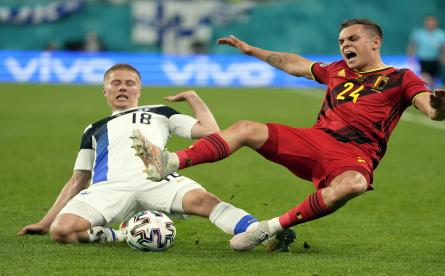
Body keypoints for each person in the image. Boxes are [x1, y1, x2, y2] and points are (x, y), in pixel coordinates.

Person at [130, 18, 445, 251]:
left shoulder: (401, 78)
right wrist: (252, 50)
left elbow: (430, 108)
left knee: (354, 184)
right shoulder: (337, 70)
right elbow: (294, 64)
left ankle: (269, 229)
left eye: (352, 39)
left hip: (353, 156)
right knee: (246, 128)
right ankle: (169, 162)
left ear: (375, 42)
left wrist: (438, 106)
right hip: (314, 142)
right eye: (341, 41)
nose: (345, 46)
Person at [18, 63, 295, 252]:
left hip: (157, 176)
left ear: (139, 89)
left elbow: (210, 131)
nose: (123, 88)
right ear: (106, 91)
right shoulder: (93, 128)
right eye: (116, 83)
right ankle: (124, 234)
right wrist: (44, 223)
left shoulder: (161, 112)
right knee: (63, 231)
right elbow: (79, 178)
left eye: (130, 83)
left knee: (204, 201)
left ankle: (260, 232)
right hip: (109, 187)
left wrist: (193, 98)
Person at [407, 15, 445, 87]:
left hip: (436, 60)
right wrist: (410, 56)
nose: (430, 24)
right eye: (428, 22)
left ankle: (432, 91)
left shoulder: (441, 34)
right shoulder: (419, 33)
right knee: (426, 77)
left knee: (434, 79)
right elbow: (412, 45)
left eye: (432, 22)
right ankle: (427, 90)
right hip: (423, 60)